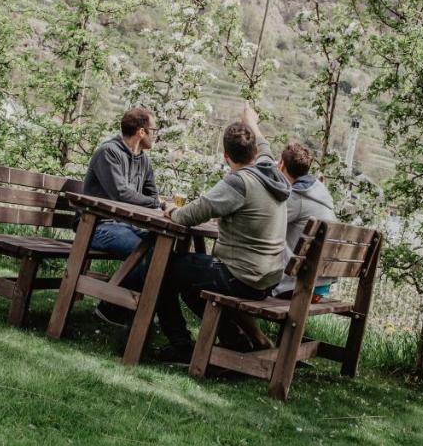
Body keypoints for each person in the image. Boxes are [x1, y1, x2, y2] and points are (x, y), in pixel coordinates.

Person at [153, 103, 290, 363]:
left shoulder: (238, 181)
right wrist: (250, 121)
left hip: (242, 277)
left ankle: (182, 346)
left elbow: (190, 215)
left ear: (226, 156)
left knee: (163, 268)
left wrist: (169, 208)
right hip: (268, 277)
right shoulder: (271, 172)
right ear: (254, 152)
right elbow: (263, 144)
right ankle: (234, 342)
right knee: (192, 280)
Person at [83, 106, 163, 327]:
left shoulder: (144, 160)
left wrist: (153, 201)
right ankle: (113, 308)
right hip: (99, 226)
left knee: (163, 253)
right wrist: (156, 203)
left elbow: (151, 194)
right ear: (141, 132)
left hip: (127, 226)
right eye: (154, 129)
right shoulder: (108, 152)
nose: (156, 134)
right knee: (145, 256)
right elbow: (121, 194)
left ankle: (117, 307)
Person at [272, 142, 337, 299]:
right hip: (319, 287)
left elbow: (264, 223)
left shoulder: (296, 198)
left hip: (295, 287)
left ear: (281, 165)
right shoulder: (322, 195)